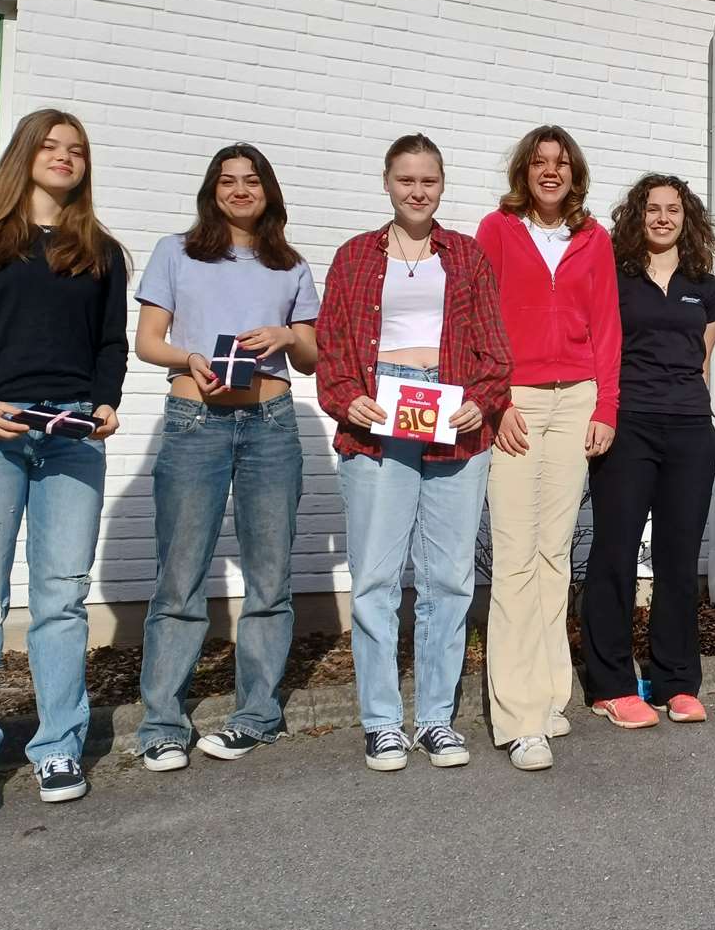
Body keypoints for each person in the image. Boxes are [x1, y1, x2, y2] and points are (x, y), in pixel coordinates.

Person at [0, 108, 128, 817]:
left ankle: (58, 745)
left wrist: (105, 402)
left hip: (71, 434)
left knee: (62, 598)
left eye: (77, 149)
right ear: (23, 154)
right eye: (50, 145)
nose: (65, 156)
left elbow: (110, 344)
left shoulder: (99, 249)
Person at [317, 134, 512, 772]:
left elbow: (496, 351)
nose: (418, 191)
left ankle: (434, 720)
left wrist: (481, 401)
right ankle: (381, 722)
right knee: (376, 579)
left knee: (448, 580)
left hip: (454, 421)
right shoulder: (354, 256)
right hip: (379, 421)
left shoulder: (468, 256)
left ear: (442, 185)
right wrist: (347, 400)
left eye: (429, 180)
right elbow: (332, 346)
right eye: (406, 180)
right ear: (387, 182)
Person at [133, 144, 319, 771]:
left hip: (271, 423)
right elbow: (147, 342)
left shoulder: (290, 265)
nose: (240, 190)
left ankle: (257, 716)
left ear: (269, 192)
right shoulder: (176, 252)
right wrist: (188, 357)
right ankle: (162, 724)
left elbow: (312, 359)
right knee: (180, 576)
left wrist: (287, 335)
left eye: (252, 181)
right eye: (228, 181)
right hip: (196, 421)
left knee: (270, 577)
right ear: (212, 191)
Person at [476, 124, 621, 771]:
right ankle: (518, 717)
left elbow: (608, 326)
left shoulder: (594, 238)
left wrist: (607, 406)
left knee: (554, 553)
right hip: (518, 400)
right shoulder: (497, 230)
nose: (550, 171)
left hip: (577, 400)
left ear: (574, 173)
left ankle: (550, 691)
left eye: (561, 163)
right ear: (525, 171)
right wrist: (495, 401)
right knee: (514, 554)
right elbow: (478, 318)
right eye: (539, 162)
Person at [581, 175, 715, 729]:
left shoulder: (708, 288)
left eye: (673, 209)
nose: (663, 218)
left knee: (677, 559)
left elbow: (701, 364)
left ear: (688, 219)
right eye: (652, 209)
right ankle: (612, 684)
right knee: (614, 553)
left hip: (690, 430)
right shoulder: (614, 277)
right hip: (628, 426)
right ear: (636, 216)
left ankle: (675, 681)